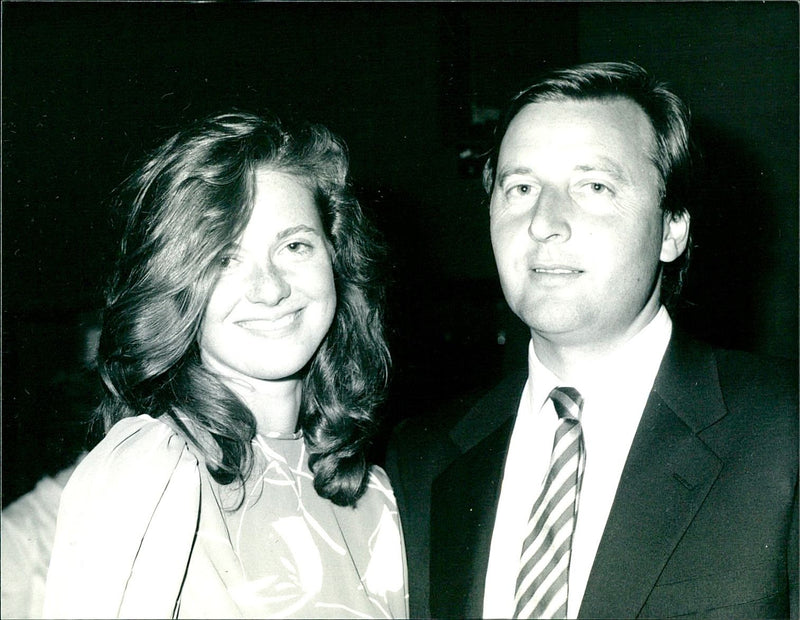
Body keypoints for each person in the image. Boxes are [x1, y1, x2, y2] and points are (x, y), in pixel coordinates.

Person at [386, 61, 798, 619]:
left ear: (672, 228)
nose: (544, 222)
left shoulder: (783, 431)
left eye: (594, 186)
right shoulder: (420, 459)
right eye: (522, 187)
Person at [43, 111, 408, 619]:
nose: (271, 288)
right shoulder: (153, 467)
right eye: (225, 259)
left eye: (295, 246)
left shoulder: (376, 495)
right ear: (175, 282)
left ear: (336, 257)